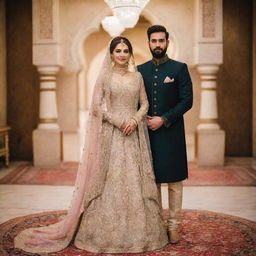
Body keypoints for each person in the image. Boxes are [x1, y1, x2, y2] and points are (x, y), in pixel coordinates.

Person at [14, 36, 168, 254]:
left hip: (134, 136)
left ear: (130, 53)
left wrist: (134, 120)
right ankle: (101, 232)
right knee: (111, 178)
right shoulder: (105, 77)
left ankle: (141, 233)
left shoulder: (138, 77)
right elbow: (96, 107)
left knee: (134, 177)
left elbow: (144, 104)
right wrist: (118, 121)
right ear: (112, 54)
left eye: (125, 51)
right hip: (113, 135)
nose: (122, 55)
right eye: (118, 51)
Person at [137, 25, 193, 244]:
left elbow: (186, 100)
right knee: (154, 181)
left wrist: (165, 119)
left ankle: (174, 225)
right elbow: (137, 101)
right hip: (148, 133)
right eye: (154, 41)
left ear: (167, 42)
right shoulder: (141, 70)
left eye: (161, 40)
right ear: (148, 43)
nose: (157, 44)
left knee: (175, 180)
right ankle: (157, 224)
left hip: (172, 133)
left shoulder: (179, 69)